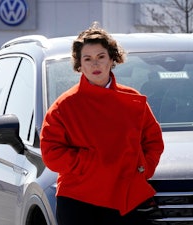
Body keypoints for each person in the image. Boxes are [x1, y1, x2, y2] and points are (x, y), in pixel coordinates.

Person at [40, 22, 164, 225]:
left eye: (100, 57)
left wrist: (142, 169)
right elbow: (51, 153)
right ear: (79, 64)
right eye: (87, 59)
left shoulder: (133, 100)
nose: (94, 64)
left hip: (125, 197)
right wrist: (89, 163)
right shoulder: (63, 106)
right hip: (78, 200)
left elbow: (154, 142)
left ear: (112, 59)